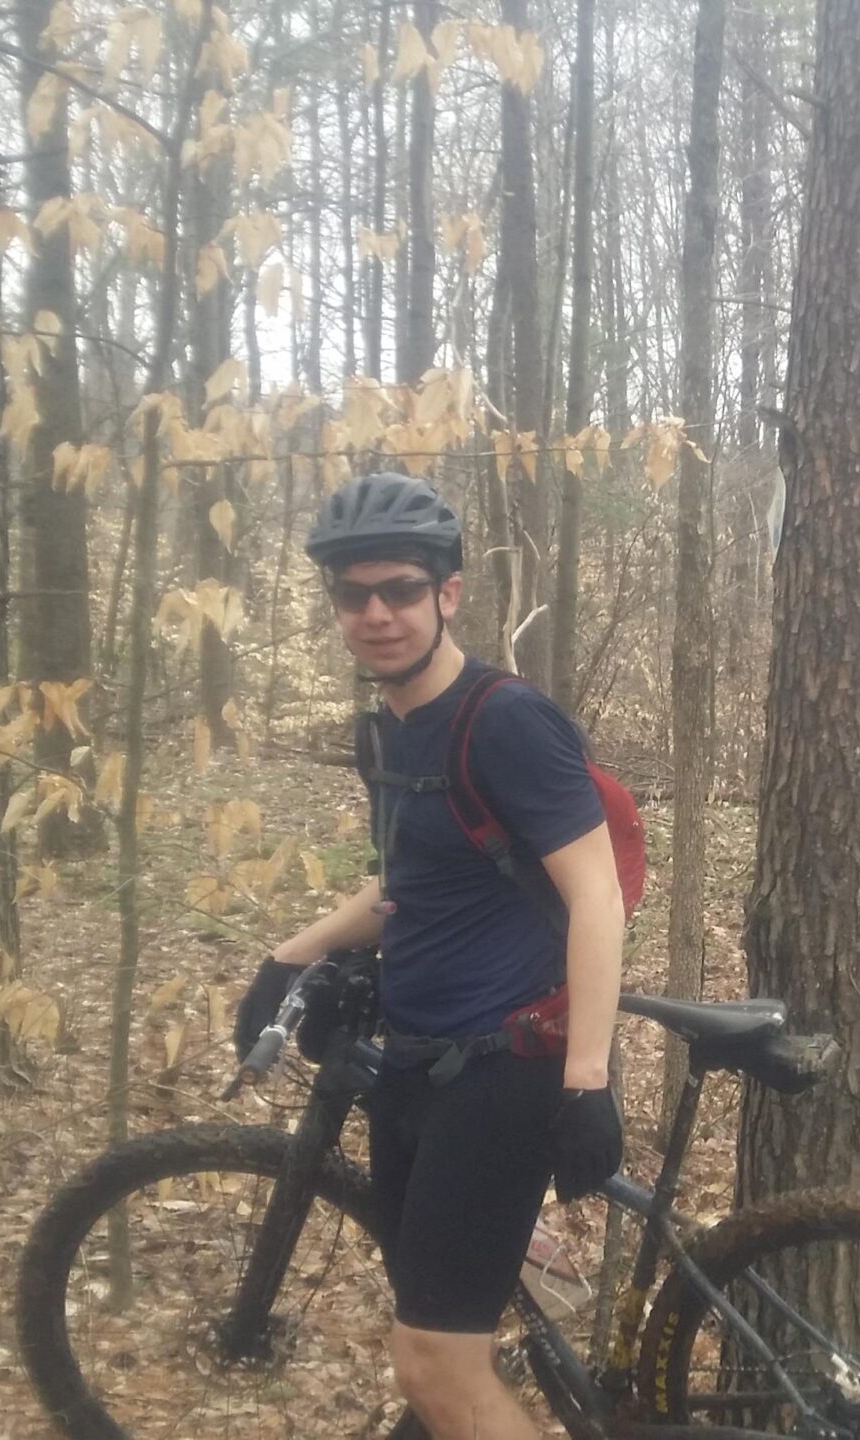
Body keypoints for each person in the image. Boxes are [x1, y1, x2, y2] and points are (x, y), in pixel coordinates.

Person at [231, 473, 628, 1440]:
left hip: (501, 1075)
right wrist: (290, 956)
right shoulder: (393, 729)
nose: (376, 613)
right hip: (417, 1069)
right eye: (353, 595)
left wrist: (586, 1081)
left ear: (448, 593)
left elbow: (595, 893)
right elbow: (411, 884)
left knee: (433, 1366)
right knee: (439, 1352)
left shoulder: (504, 721)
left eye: (401, 589)